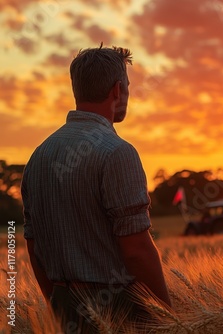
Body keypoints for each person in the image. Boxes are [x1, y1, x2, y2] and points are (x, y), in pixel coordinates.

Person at [21, 45, 171, 332]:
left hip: (64, 308)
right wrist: (170, 315)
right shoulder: (118, 153)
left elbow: (34, 246)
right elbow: (137, 250)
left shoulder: (38, 157)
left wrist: (57, 304)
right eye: (127, 86)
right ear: (117, 90)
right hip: (121, 309)